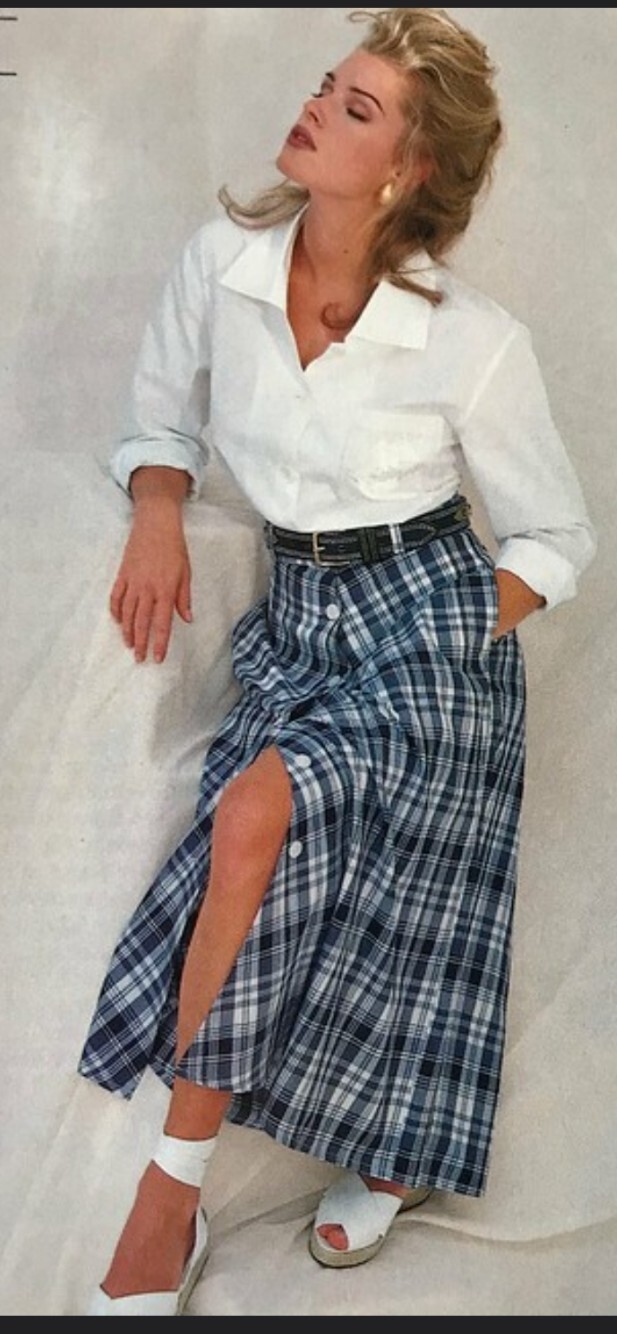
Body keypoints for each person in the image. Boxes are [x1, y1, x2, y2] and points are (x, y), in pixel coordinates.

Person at [78, 6, 596, 1315]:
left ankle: (168, 1198)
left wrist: (451, 628)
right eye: (329, 84)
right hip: (300, 615)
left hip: (429, 615)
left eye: (355, 108)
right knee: (287, 851)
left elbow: (556, 537)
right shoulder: (222, 266)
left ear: (408, 170)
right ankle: (382, 1151)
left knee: (264, 815)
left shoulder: (472, 340)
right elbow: (159, 418)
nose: (313, 107)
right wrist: (155, 508)